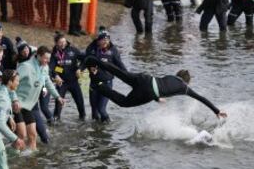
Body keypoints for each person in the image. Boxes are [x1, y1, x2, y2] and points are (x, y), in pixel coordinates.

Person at [85, 56, 228, 118]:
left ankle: (95, 61)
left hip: (145, 78)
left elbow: (160, 85)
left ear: (178, 74)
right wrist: (216, 111)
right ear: (187, 82)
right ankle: (99, 85)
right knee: (123, 102)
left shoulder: (171, 77)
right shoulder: (185, 88)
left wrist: (157, 98)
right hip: (148, 92)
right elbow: (201, 98)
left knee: (120, 73)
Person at [15, 46, 65, 152]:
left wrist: (57, 96)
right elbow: (11, 83)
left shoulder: (45, 67)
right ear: (38, 55)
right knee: (21, 136)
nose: (47, 61)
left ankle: (32, 159)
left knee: (33, 135)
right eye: (45, 58)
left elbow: (47, 82)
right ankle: (14, 156)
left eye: (49, 59)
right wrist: (13, 100)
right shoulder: (25, 66)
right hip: (19, 104)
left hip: (32, 104)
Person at [85, 26, 127, 123]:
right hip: (94, 83)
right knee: (94, 111)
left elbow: (120, 65)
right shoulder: (91, 48)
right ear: (98, 40)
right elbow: (86, 61)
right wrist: (89, 68)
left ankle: (108, 127)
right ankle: (96, 133)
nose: (106, 42)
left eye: (107, 40)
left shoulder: (113, 50)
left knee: (101, 109)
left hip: (106, 83)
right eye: (103, 40)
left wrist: (128, 76)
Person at [50, 32, 86, 121]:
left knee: (80, 103)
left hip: (74, 81)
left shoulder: (73, 50)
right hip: (61, 82)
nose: (63, 44)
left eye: (64, 41)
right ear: (56, 43)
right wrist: (56, 75)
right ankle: (56, 120)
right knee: (58, 104)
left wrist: (80, 69)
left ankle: (83, 119)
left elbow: (85, 59)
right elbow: (51, 67)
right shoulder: (54, 54)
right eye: (60, 42)